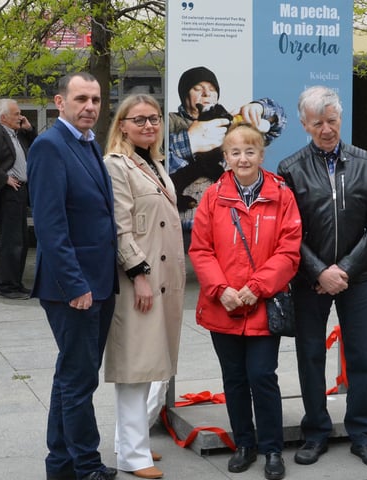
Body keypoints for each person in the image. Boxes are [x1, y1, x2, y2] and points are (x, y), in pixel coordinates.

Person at [277, 86, 367, 469]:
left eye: (332, 120)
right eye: (317, 123)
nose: (326, 129)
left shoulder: (366, 162)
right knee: (311, 356)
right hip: (310, 280)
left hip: (358, 277)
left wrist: (346, 268)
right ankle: (315, 432)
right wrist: (319, 271)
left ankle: (363, 434)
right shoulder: (290, 168)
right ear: (304, 124)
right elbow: (288, 230)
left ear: (341, 118)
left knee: (361, 356)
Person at [189, 123, 301, 480]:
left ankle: (271, 448)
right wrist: (220, 289)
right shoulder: (213, 197)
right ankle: (244, 444)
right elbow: (201, 249)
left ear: (262, 155)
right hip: (223, 304)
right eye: (235, 152)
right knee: (234, 379)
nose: (243, 158)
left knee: (262, 376)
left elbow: (289, 250)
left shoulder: (281, 195)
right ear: (225, 157)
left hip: (262, 303)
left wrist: (258, 287)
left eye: (250, 151)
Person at [27, 72, 119, 480]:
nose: (90, 107)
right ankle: (86, 466)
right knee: (79, 381)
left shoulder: (88, 143)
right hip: (75, 288)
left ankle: (61, 465)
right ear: (60, 102)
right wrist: (75, 284)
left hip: (99, 282)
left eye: (95, 99)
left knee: (71, 377)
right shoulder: (50, 146)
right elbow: (50, 226)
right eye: (81, 98)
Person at [102, 94, 185, 480]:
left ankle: (129, 442)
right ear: (122, 125)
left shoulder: (155, 163)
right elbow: (120, 227)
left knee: (152, 365)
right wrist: (138, 275)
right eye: (139, 120)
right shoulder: (116, 165)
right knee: (136, 366)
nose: (149, 125)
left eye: (153, 119)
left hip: (163, 280)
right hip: (139, 279)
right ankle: (133, 456)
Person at [168, 66, 286, 233]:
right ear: (184, 94)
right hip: (182, 228)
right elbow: (154, 161)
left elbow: (277, 125)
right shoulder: (169, 122)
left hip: (227, 227)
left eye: (212, 89)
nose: (206, 94)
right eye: (198, 89)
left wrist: (259, 108)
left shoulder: (227, 122)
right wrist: (189, 141)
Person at [0, 99, 37, 299]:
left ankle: (16, 284)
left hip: (21, 192)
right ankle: (6, 287)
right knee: (12, 242)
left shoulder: (17, 134)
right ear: (4, 117)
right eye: (16, 114)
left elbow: (36, 146)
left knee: (22, 240)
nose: (20, 117)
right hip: (8, 194)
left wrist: (29, 129)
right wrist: (4, 178)